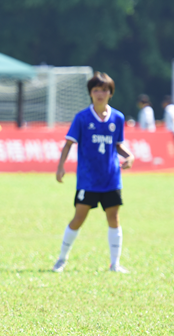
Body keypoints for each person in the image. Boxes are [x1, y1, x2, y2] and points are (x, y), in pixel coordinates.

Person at [53, 72, 135, 274]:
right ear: (90, 93)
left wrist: (129, 156)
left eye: (104, 90)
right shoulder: (82, 118)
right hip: (88, 180)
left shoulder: (118, 117)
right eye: (96, 90)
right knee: (79, 218)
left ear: (110, 93)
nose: (100, 93)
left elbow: (118, 145)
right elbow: (68, 144)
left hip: (111, 178)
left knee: (114, 218)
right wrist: (61, 166)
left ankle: (115, 264)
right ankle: (61, 259)